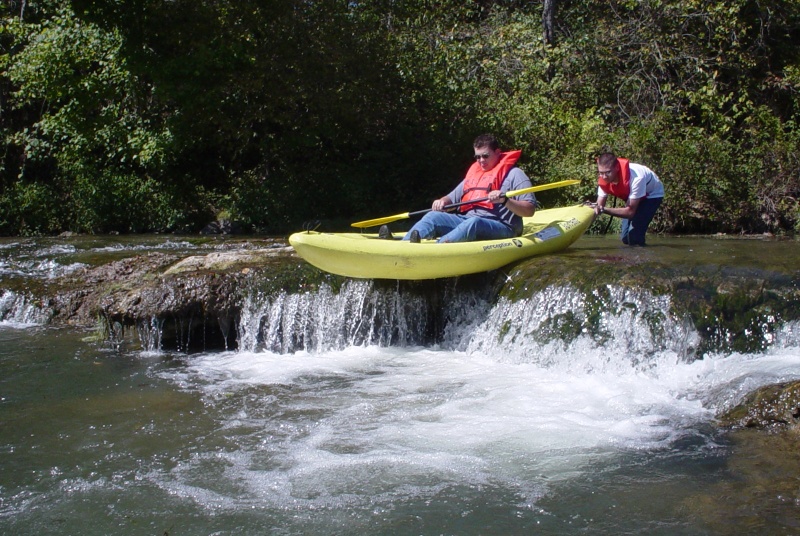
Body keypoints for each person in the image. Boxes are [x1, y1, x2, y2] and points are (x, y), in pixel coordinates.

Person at [387, 134, 536, 243]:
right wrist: (441, 201)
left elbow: (529, 210)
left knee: (474, 222)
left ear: (497, 153)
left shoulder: (515, 174)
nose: (481, 161)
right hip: (467, 221)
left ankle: (438, 248)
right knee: (433, 216)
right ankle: (405, 245)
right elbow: (451, 198)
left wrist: (505, 200)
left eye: (485, 156)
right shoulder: (474, 175)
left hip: (503, 227)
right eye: (477, 157)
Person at [591, 151, 664, 246]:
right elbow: (598, 206)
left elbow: (630, 212)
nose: (604, 177)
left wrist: (603, 209)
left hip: (651, 195)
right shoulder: (603, 180)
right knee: (625, 238)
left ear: (617, 168)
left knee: (634, 238)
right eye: (601, 173)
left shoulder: (636, 178)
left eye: (608, 172)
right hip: (633, 196)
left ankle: (643, 254)